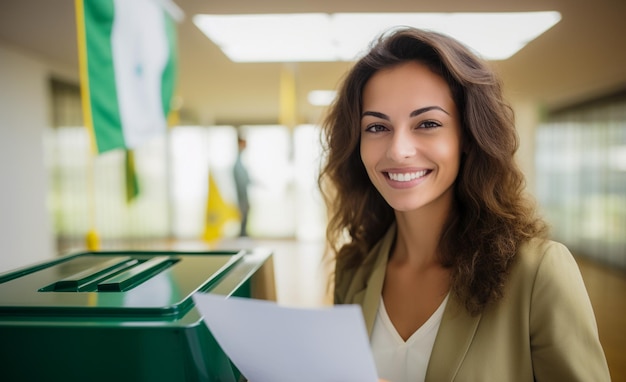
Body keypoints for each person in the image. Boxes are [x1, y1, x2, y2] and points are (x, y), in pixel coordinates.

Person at [318, 27, 611, 382]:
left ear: (468, 137)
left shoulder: (538, 272)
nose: (398, 150)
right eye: (377, 127)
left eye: (427, 123)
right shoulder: (354, 267)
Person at [233, 131, 251, 237]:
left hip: (243, 193)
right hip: (241, 194)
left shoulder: (240, 161)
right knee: (243, 213)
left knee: (245, 213)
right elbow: (241, 180)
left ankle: (243, 234)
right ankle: (242, 235)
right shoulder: (237, 162)